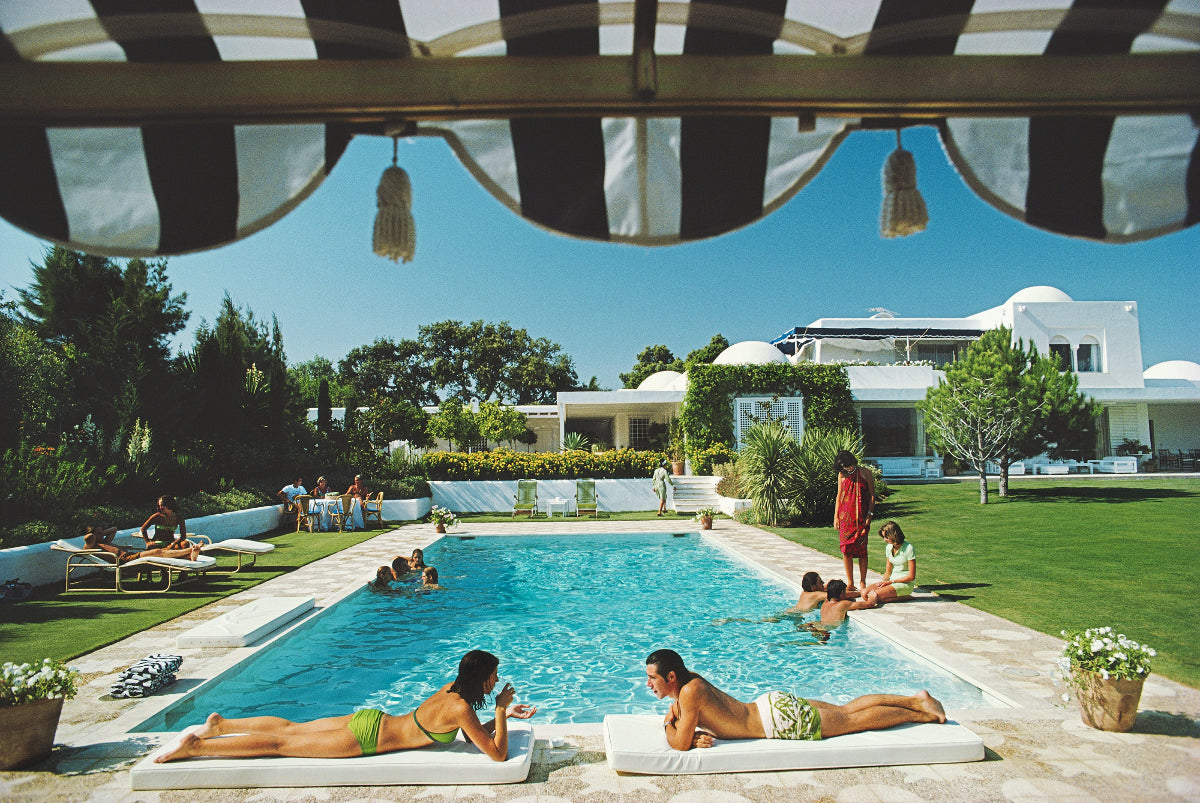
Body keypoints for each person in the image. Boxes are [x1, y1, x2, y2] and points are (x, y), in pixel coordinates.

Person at [155, 649, 537, 763]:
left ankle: (221, 724)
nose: (496, 682)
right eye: (494, 677)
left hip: (371, 719)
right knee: (281, 746)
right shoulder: (460, 709)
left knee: (290, 729)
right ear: (483, 678)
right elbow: (496, 754)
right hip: (365, 740)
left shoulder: (452, 692)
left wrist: (495, 717)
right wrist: (502, 711)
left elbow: (471, 737)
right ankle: (198, 746)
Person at [644, 648, 945, 751]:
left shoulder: (688, 693)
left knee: (853, 721)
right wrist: (687, 726)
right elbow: (689, 723)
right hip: (770, 706)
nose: (648, 684)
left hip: (780, 721)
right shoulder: (689, 683)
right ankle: (914, 699)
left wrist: (671, 724)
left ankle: (921, 712)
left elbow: (679, 743)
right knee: (845, 710)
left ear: (671, 677)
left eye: (653, 678)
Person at [833, 451, 875, 591]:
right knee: (846, 550)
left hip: (861, 517)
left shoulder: (865, 473)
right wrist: (836, 516)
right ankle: (850, 582)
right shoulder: (842, 475)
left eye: (849, 466)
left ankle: (862, 581)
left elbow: (872, 496)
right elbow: (839, 496)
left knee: (862, 549)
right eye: (845, 467)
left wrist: (870, 514)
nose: (848, 469)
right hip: (845, 518)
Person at [861, 521, 916, 606]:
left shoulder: (909, 548)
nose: (884, 540)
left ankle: (904, 596)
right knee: (864, 593)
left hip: (905, 584)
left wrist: (890, 582)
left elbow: (911, 577)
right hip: (892, 582)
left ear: (893, 535)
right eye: (883, 537)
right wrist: (883, 583)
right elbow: (888, 571)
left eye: (886, 537)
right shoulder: (889, 547)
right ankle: (899, 597)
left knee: (873, 597)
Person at [85, 527, 201, 564]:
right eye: (99, 534)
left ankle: (188, 557)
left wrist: (101, 533)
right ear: (93, 535)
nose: (102, 535)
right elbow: (88, 537)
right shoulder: (91, 545)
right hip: (125, 560)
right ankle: (190, 551)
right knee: (157, 552)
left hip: (130, 556)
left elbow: (114, 529)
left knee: (160, 554)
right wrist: (95, 533)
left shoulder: (104, 542)